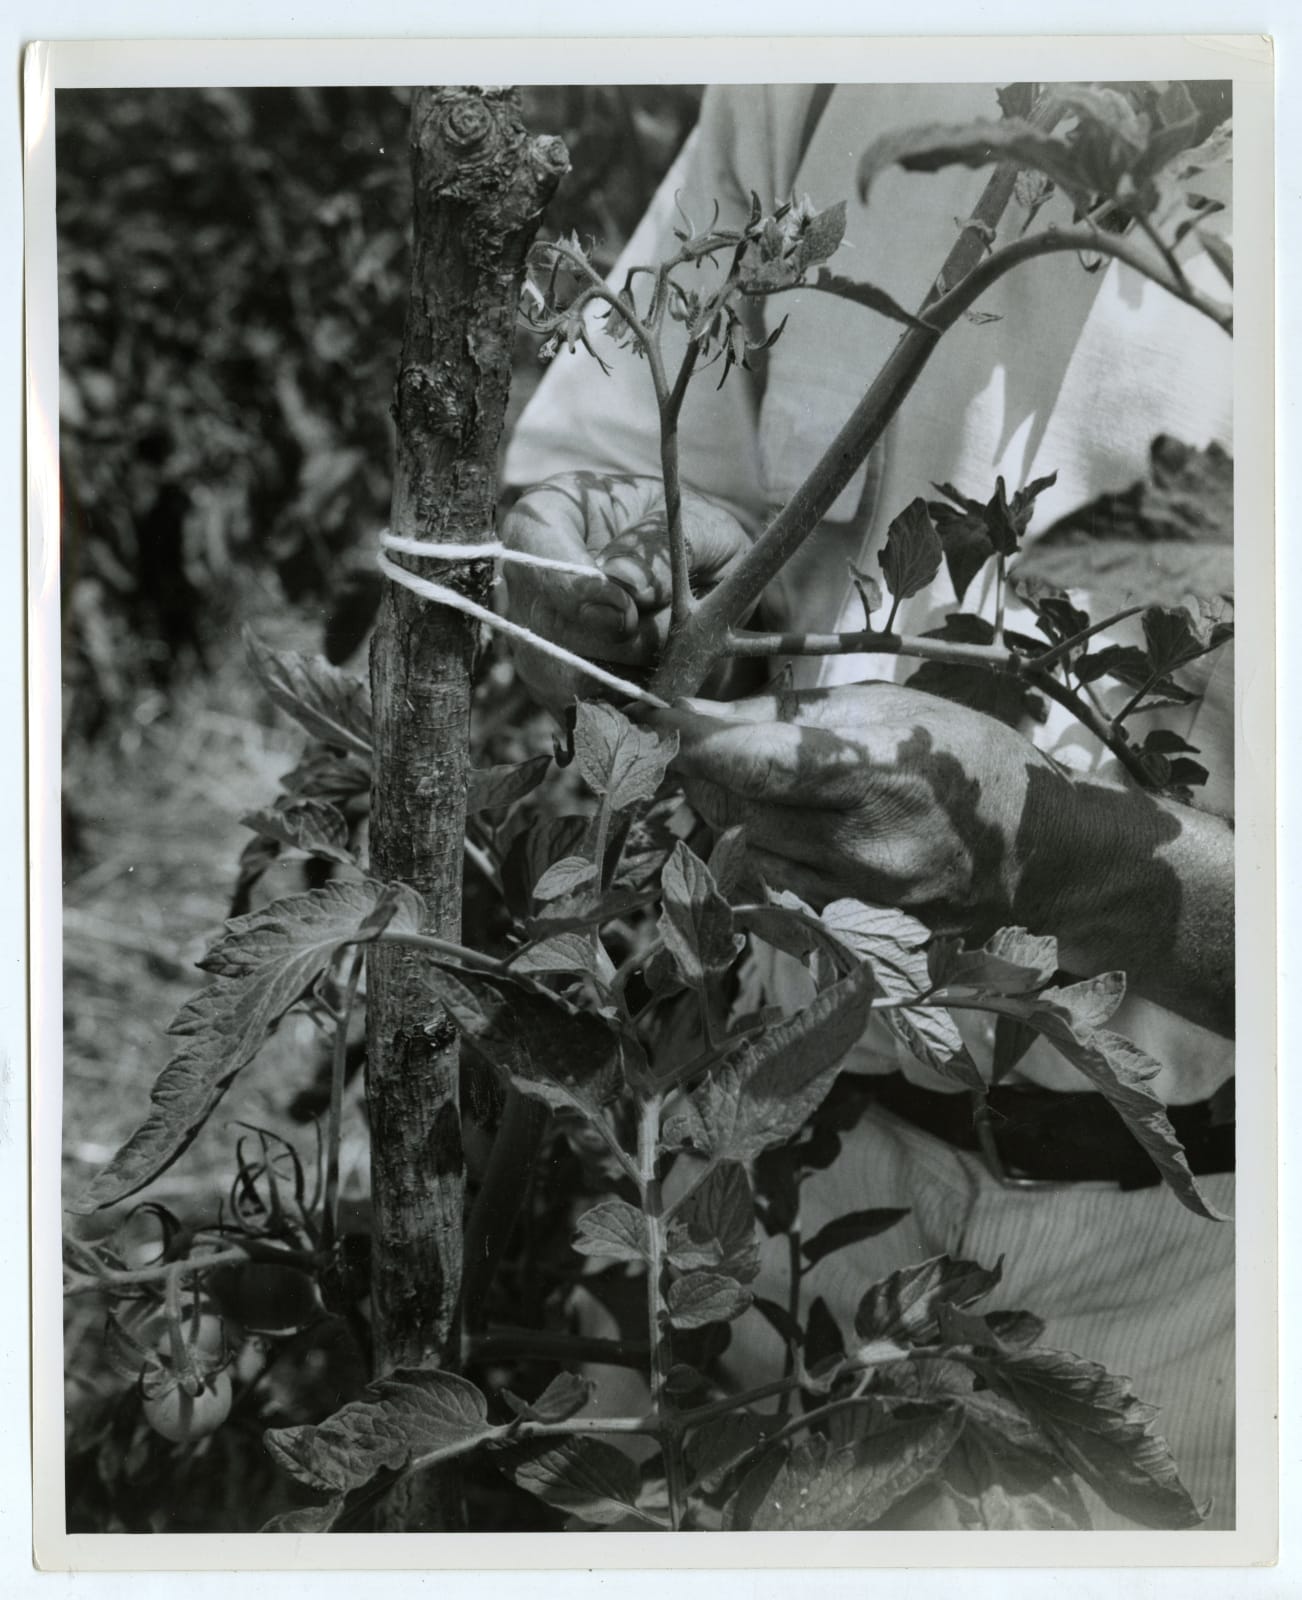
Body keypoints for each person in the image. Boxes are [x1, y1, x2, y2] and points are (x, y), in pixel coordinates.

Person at [500, 84, 1236, 1528]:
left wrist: (1053, 857)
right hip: (776, 1184)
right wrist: (619, 558)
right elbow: (606, 475)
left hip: (1211, 1285)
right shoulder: (830, 70)